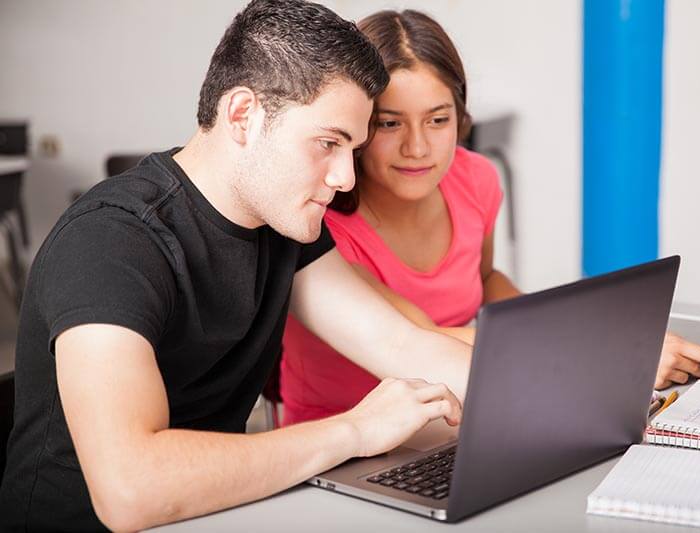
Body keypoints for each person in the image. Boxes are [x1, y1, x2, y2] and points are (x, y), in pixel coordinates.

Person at [0, 2, 470, 531]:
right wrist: (355, 430)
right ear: (243, 115)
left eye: (352, 149)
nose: (344, 177)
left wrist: (561, 399)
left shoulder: (281, 224)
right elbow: (130, 489)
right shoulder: (110, 241)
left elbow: (403, 345)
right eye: (328, 143)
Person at [280, 9, 700, 427]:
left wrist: (568, 326)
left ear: (461, 118)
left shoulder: (475, 179)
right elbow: (417, 339)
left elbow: (486, 277)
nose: (417, 147)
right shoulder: (324, 223)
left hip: (455, 419)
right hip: (344, 448)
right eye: (390, 124)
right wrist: (602, 347)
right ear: (355, 128)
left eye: (437, 119)